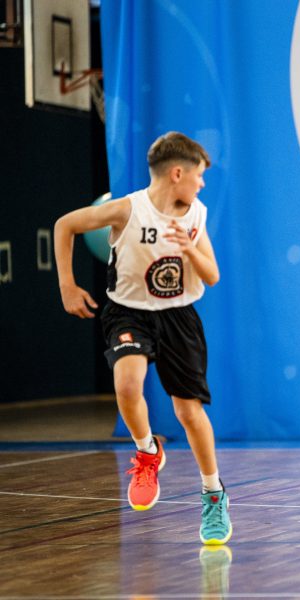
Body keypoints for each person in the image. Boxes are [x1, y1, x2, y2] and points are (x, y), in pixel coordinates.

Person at [54, 131, 231, 545]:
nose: (202, 183)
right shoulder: (126, 209)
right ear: (176, 173)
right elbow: (66, 225)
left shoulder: (195, 215)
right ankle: (147, 450)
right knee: (128, 385)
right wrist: (67, 285)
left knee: (188, 412)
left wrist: (189, 249)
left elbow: (212, 275)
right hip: (128, 311)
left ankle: (213, 493)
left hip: (178, 316)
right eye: (198, 175)